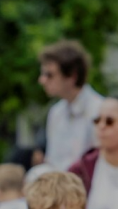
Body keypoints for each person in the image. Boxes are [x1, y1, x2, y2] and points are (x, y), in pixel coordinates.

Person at [39, 40, 106, 172]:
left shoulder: (99, 109)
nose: (42, 80)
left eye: (49, 74)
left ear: (72, 76)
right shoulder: (55, 112)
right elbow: (52, 161)